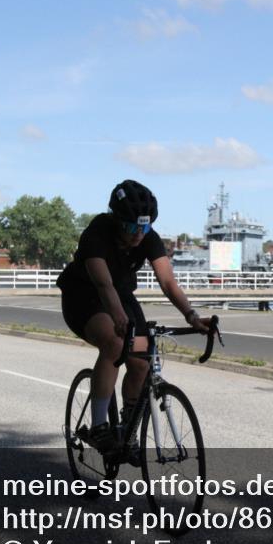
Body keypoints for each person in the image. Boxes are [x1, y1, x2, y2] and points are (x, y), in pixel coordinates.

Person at [57, 180, 212, 456]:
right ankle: (99, 426)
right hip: (85, 294)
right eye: (132, 228)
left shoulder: (147, 238)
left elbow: (168, 282)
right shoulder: (97, 233)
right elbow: (103, 285)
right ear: (117, 220)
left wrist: (191, 316)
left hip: (122, 295)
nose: (138, 235)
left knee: (141, 361)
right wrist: (118, 317)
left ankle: (127, 429)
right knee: (115, 343)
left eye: (145, 227)